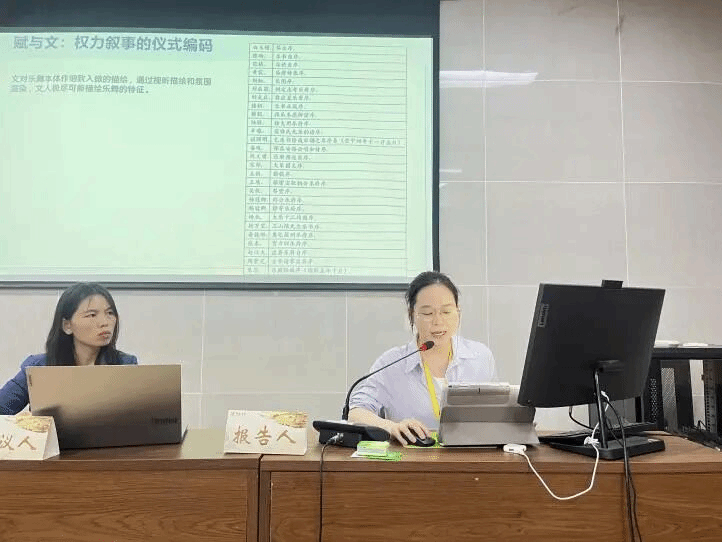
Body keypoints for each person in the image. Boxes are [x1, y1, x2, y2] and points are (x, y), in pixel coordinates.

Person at [348, 271, 497, 444]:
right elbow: (356, 412)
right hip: (413, 458)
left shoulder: (480, 357)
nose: (438, 321)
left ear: (458, 313)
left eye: (446, 311)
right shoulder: (392, 363)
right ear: (412, 315)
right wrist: (391, 426)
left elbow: (497, 415)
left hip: (472, 455)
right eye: (427, 313)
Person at [0, 282, 137, 415]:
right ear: (67, 326)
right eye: (92, 315)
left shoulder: (125, 365)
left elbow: (137, 417)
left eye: (110, 313)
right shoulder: (39, 366)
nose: (105, 322)